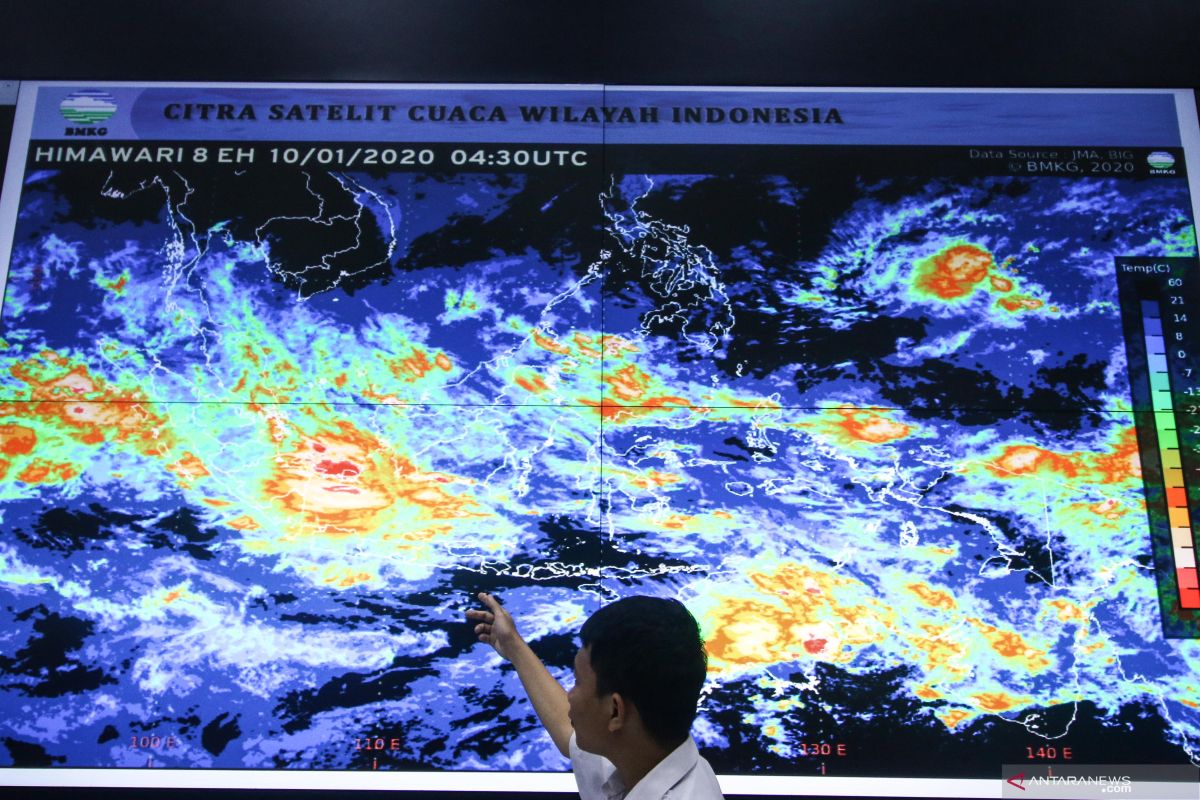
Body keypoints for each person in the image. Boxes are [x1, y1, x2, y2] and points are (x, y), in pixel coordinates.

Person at [467, 592, 724, 800]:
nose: (570, 695)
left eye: (578, 682)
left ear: (615, 711)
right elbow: (569, 733)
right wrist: (513, 645)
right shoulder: (638, 758)